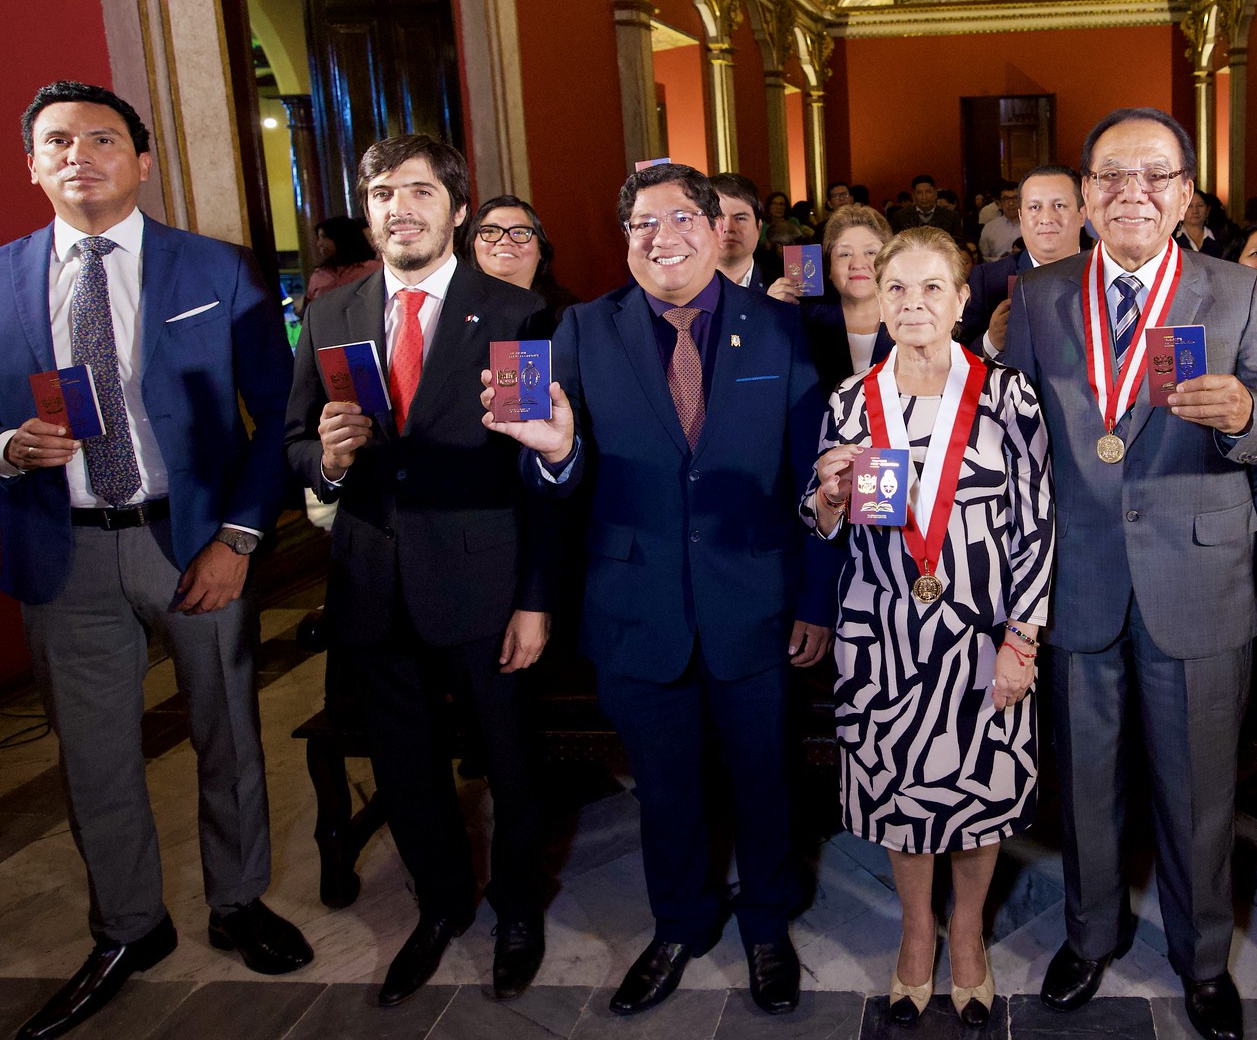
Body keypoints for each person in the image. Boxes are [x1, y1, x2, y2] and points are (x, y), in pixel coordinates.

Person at [0, 81, 311, 1040]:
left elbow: (282, 420)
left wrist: (240, 538)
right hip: (64, 556)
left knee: (226, 735)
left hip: (192, 542)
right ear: (32, 165)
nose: (78, 155)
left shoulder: (217, 269)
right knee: (94, 760)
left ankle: (237, 901)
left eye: (103, 138)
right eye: (56, 141)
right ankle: (129, 928)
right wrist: (6, 449)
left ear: (143, 161)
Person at [999, 107, 1257, 1040]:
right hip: (1078, 579)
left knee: (1200, 785)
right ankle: (1089, 937)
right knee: (1084, 784)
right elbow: (1014, 448)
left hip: (1200, 579)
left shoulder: (1237, 292)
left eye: (1155, 176)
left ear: (1183, 194)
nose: (1133, 192)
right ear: (1086, 195)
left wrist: (1246, 411)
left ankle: (1202, 956)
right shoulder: (1041, 297)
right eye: (1112, 177)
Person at [500, 162, 828, 1018]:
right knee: (664, 784)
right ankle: (680, 922)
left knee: (764, 778)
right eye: (642, 224)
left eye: (682, 217)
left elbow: (815, 481)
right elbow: (553, 487)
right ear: (626, 241)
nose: (662, 236)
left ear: (717, 226)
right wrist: (556, 454)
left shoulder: (785, 331)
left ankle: (766, 922)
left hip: (755, 602)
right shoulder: (579, 329)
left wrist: (817, 601)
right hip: (634, 606)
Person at [284, 134, 554, 1007]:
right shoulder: (331, 312)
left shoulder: (514, 314)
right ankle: (440, 906)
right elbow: (294, 440)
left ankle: (517, 910)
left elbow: (537, 475)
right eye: (381, 194)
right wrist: (323, 462)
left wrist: (534, 600)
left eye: (418, 191)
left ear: (457, 208)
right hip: (371, 576)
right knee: (405, 762)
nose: (399, 207)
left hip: (484, 579)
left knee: (509, 759)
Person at [802, 227, 1055, 1027]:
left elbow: (1039, 522)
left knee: (977, 791)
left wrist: (1023, 639)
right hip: (881, 634)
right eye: (898, 290)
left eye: (931, 289)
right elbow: (821, 522)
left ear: (961, 298)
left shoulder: (1006, 393)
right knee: (899, 795)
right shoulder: (850, 400)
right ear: (878, 299)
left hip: (983, 633)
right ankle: (917, 933)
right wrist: (829, 497)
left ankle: (970, 930)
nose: (913, 305)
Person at [962, 164, 1085, 351]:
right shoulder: (988, 280)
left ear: (1082, 214)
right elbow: (959, 354)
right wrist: (991, 342)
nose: (1046, 218)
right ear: (1021, 216)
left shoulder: (1107, 274)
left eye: (1059, 205)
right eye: (1034, 207)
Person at [772, 203, 896, 387]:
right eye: (844, 254)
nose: (858, 263)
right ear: (829, 269)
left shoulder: (913, 319)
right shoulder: (804, 323)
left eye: (871, 252)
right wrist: (769, 315)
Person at [468, 193, 581, 328]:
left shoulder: (568, 315)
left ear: (541, 249)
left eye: (520, 232)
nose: (504, 240)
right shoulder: (453, 309)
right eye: (491, 231)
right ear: (473, 244)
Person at [710, 171, 781, 292]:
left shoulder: (781, 288)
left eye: (740, 218)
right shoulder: (679, 293)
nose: (728, 228)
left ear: (758, 228)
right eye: (718, 218)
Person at [303, 214, 378, 305]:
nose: (319, 244)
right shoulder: (319, 275)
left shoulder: (373, 269)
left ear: (340, 238)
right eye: (319, 238)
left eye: (324, 237)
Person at [888, 174, 963, 240]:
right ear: (913, 196)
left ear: (935, 194)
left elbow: (958, 243)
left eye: (928, 192)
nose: (924, 197)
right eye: (919, 193)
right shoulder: (900, 216)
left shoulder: (951, 216)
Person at [1176, 189, 1228, 257]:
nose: (1195, 211)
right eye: (1189, 206)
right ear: (1181, 209)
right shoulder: (1171, 239)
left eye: (1200, 205)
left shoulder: (1223, 239)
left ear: (1208, 209)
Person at [979, 179, 1022, 259]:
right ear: (999, 203)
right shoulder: (989, 228)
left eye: (1015, 198)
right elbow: (984, 256)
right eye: (1006, 199)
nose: (1011, 203)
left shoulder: (1033, 226)